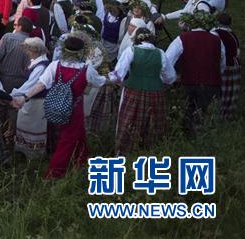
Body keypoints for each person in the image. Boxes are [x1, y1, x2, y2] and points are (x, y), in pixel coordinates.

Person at [14, 32, 107, 178]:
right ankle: (54, 173)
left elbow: (41, 84)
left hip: (56, 106)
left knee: (78, 133)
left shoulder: (55, 65)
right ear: (82, 52)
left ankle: (81, 161)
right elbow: (100, 81)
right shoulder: (87, 69)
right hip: (75, 109)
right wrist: (115, 78)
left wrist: (25, 97)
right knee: (67, 140)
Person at [109, 28, 176, 153]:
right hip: (155, 93)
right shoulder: (160, 53)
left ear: (136, 39)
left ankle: (125, 153)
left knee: (130, 121)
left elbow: (118, 74)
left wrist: (113, 80)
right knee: (154, 123)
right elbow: (171, 77)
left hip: (133, 91)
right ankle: (151, 152)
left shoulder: (131, 51)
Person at [165, 12, 225, 136]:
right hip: (212, 84)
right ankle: (205, 140)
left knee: (188, 114)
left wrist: (172, 78)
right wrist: (216, 74)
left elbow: (167, 60)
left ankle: (187, 139)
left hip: (189, 82)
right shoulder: (217, 40)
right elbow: (222, 61)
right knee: (208, 116)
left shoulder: (182, 39)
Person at [10, 37, 50, 159]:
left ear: (35, 50)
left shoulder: (41, 66)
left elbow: (31, 84)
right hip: (31, 100)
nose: (27, 52)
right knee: (24, 124)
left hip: (36, 102)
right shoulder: (37, 62)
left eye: (28, 50)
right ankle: (24, 151)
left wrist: (14, 94)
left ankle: (33, 155)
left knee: (33, 126)